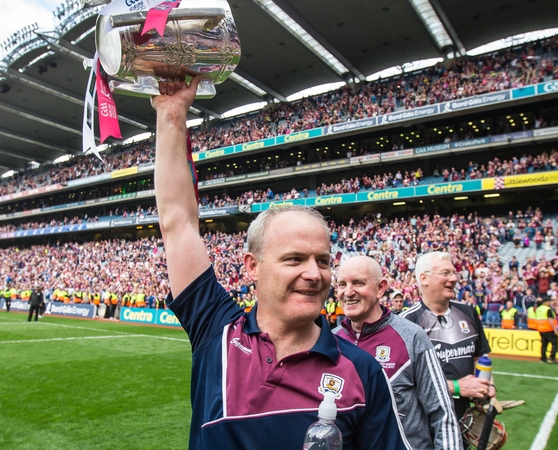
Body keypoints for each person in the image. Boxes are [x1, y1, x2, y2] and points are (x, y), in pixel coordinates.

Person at [152, 74, 406, 449]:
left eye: (323, 261)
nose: (313, 274)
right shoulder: (217, 331)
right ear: (252, 266)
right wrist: (171, 112)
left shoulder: (362, 371)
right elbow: (178, 222)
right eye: (294, 259)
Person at [334, 256, 462, 449]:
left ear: (381, 288)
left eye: (358, 283)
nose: (348, 292)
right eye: (342, 284)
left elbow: (442, 412)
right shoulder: (331, 341)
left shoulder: (412, 336)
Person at [400, 252, 495, 424]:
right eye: (445, 273)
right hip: (424, 424)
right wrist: (456, 387)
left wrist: (486, 388)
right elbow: (403, 380)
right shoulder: (407, 322)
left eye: (454, 273)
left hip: (464, 421)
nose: (454, 279)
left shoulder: (468, 312)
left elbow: (479, 358)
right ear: (424, 278)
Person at [535, 296, 558, 364]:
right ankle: (552, 358)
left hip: (541, 329)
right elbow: (550, 319)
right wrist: (555, 329)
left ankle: (543, 358)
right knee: (555, 343)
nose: (550, 302)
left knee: (544, 344)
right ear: (546, 302)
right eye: (549, 301)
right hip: (548, 329)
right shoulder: (548, 309)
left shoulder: (538, 309)